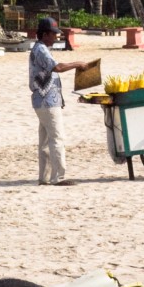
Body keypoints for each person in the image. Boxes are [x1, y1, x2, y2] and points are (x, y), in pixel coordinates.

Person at [29, 17, 94, 186]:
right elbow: (57, 68)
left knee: (45, 140)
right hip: (46, 101)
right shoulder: (41, 50)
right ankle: (59, 177)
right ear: (45, 34)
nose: (56, 37)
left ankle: (45, 177)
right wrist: (78, 63)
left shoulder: (39, 48)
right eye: (53, 34)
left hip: (43, 101)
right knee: (57, 138)